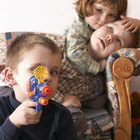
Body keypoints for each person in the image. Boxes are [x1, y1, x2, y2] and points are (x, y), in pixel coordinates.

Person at [53, 20, 139, 139]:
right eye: (111, 28)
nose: (110, 37)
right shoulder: (63, 46)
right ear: (97, 26)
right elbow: (32, 75)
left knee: (76, 118)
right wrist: (61, 100)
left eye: (119, 41)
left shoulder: (98, 83)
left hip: (54, 116)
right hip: (32, 97)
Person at [0, 33, 78, 140]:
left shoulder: (62, 115)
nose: (47, 77)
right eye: (37, 70)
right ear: (11, 76)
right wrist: (13, 123)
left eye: (54, 72)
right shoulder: (1, 109)